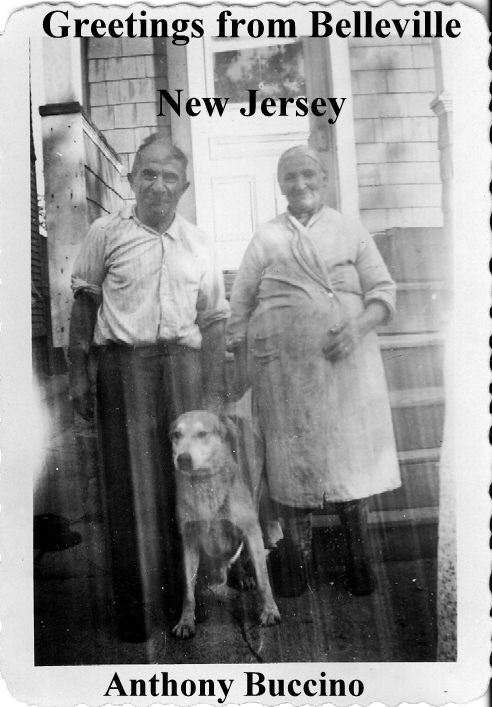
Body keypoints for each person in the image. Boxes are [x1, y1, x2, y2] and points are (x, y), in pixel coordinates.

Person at [68, 135, 229, 642]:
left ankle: (186, 598)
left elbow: (216, 322)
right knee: (129, 487)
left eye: (169, 177)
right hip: (125, 369)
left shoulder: (200, 243)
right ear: (132, 178)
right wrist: (78, 374)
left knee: (188, 485)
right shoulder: (104, 232)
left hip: (184, 368)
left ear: (184, 187)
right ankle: (136, 608)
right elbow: (83, 307)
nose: (158, 185)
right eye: (148, 175)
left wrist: (213, 392)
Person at [226, 145, 401, 597]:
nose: (300, 185)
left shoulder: (349, 229)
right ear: (280, 186)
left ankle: (357, 559)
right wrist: (242, 359)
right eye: (290, 178)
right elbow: (240, 305)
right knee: (290, 461)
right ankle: (295, 562)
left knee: (349, 459)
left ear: (323, 180)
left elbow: (383, 292)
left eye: (308, 175)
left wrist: (358, 327)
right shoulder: (265, 237)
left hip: (345, 362)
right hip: (283, 371)